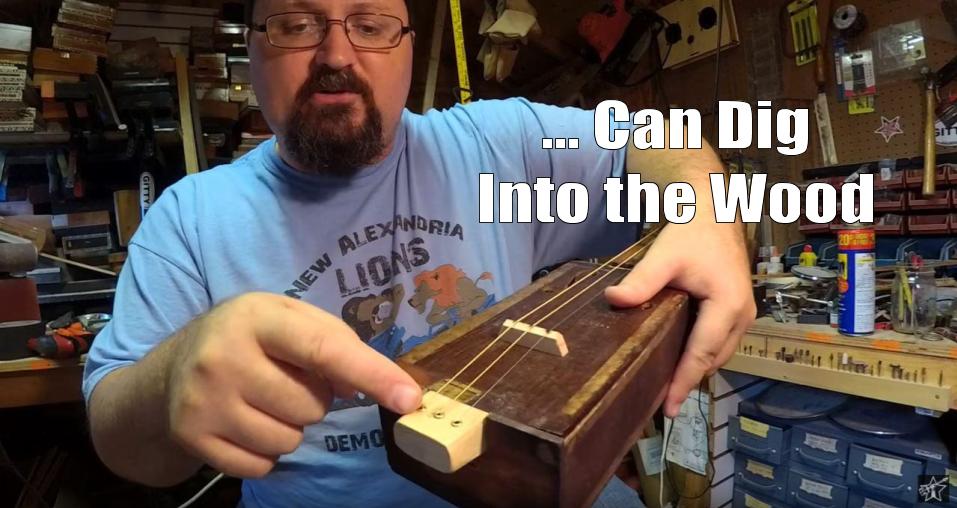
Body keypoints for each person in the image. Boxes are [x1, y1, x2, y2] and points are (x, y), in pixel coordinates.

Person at [83, 0, 756, 506]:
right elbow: (118, 439)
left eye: (371, 23)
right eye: (296, 23)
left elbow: (654, 136)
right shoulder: (190, 218)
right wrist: (169, 382)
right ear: (254, 47)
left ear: (406, 43)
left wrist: (710, 210)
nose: (337, 55)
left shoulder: (498, 144)